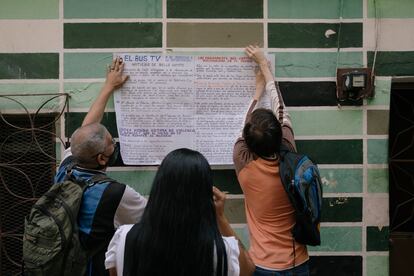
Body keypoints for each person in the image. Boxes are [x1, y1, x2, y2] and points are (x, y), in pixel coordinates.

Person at [54, 57, 147, 276]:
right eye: (110, 144)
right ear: (102, 160)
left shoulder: (66, 166)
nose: (113, 144)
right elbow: (153, 216)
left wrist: (108, 87)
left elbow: (87, 129)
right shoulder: (116, 193)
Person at [104, 148, 255, 276]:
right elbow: (248, 270)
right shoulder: (222, 250)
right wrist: (220, 217)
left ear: (159, 188)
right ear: (205, 196)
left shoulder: (124, 237)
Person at [233, 45, 309, 275]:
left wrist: (256, 94)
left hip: (265, 265)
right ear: (280, 133)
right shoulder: (290, 153)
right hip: (299, 261)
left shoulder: (244, 164)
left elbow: (243, 127)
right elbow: (281, 107)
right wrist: (264, 66)